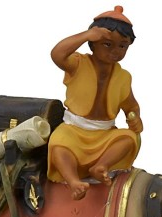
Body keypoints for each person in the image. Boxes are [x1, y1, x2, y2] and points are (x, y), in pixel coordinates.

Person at [47, 6, 143, 200]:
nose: (115, 51)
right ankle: (74, 182)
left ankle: (101, 166)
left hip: (104, 134)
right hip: (74, 130)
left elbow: (130, 105)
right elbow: (57, 54)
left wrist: (134, 118)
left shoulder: (123, 77)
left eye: (122, 46)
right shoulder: (77, 64)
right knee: (58, 145)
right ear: (93, 43)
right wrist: (85, 35)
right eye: (107, 44)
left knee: (129, 139)